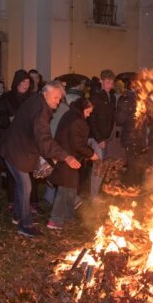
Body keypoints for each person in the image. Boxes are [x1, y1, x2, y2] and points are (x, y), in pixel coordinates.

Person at [0, 81, 80, 237]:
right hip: (16, 149)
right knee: (25, 186)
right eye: (56, 97)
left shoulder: (36, 100)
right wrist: (66, 156)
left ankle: (17, 215)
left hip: (15, 146)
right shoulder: (40, 110)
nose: (58, 101)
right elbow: (44, 139)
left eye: (60, 98)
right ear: (45, 93)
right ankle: (25, 225)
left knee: (22, 185)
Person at [47, 98, 98, 230]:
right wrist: (91, 154)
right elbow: (78, 144)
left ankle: (68, 215)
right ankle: (55, 220)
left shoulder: (72, 114)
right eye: (88, 112)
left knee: (71, 188)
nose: (88, 115)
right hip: (68, 158)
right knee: (65, 189)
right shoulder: (77, 121)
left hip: (67, 157)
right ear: (82, 108)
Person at [0, 70, 32, 206]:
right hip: (11, 141)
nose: (25, 85)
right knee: (13, 173)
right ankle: (12, 201)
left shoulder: (31, 98)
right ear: (16, 82)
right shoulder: (6, 98)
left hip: (27, 141)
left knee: (28, 171)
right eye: (23, 82)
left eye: (28, 82)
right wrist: (10, 118)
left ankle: (29, 202)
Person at [87, 70, 116, 198]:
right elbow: (91, 119)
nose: (110, 83)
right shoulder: (96, 97)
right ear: (102, 82)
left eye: (111, 81)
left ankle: (97, 192)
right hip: (97, 138)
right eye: (107, 81)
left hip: (107, 137)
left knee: (103, 166)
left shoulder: (112, 97)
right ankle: (94, 196)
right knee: (98, 166)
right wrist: (98, 139)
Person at [115, 79, 147, 187]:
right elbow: (119, 120)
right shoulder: (126, 99)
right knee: (132, 166)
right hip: (131, 138)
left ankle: (134, 188)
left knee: (137, 166)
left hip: (139, 138)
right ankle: (130, 189)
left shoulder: (142, 99)